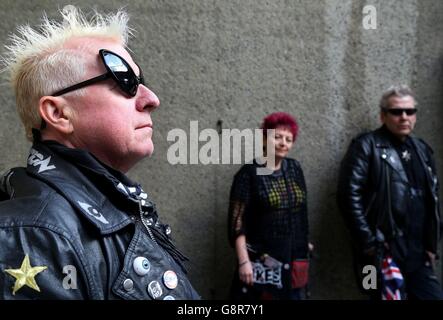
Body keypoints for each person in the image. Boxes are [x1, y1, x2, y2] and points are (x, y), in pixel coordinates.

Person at [0, 6, 199, 300]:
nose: (151, 99)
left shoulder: (116, 207)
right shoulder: (35, 236)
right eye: (123, 80)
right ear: (58, 113)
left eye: (141, 82)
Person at [337, 85, 443, 300]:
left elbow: (433, 198)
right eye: (396, 112)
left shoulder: (422, 149)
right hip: (377, 253)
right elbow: (348, 196)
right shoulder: (366, 146)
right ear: (383, 115)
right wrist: (367, 243)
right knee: (374, 295)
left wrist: (432, 244)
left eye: (410, 111)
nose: (404, 117)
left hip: (418, 253)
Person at [228, 112, 311, 300]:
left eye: (289, 139)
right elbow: (237, 223)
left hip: (295, 257)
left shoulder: (294, 168)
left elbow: (302, 211)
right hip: (262, 261)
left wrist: (305, 241)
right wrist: (243, 262)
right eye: (278, 137)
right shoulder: (248, 174)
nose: (283, 143)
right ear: (264, 139)